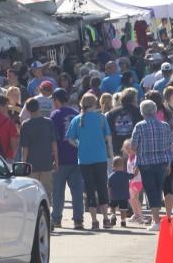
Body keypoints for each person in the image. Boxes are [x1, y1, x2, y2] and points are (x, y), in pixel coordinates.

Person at [67, 93, 114, 230]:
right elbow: (108, 137)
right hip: (100, 157)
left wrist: (80, 145)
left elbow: (70, 139)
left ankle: (94, 221)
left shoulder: (76, 119)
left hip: (84, 159)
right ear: (95, 104)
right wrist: (109, 152)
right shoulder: (101, 118)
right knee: (102, 188)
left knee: (89, 189)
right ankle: (105, 218)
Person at [130, 99, 173, 232]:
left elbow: (133, 146)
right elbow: (170, 145)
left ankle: (156, 221)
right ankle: (158, 219)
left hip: (146, 163)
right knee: (158, 189)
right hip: (162, 162)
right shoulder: (165, 126)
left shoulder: (139, 126)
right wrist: (169, 163)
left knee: (151, 191)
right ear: (155, 111)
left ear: (142, 112)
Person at [50, 88, 85, 230]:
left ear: (56, 100)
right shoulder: (77, 114)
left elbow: (52, 139)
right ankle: (78, 220)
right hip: (76, 158)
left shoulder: (55, 115)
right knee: (77, 191)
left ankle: (57, 219)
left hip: (60, 158)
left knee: (58, 191)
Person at [20, 97, 59, 197]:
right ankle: (46, 211)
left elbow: (25, 148)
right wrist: (57, 162)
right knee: (47, 192)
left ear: (28, 110)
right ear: (39, 108)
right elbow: (54, 144)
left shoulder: (25, 125)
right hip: (46, 163)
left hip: (32, 164)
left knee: (33, 193)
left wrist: (24, 165)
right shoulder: (48, 122)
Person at [106, 87, 142, 153]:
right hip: (133, 147)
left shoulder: (112, 113)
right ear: (134, 98)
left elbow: (109, 131)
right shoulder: (138, 111)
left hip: (117, 146)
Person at [107, 156, 133, 228]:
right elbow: (132, 176)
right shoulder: (125, 175)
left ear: (113, 166)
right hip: (124, 196)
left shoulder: (111, 176)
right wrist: (136, 171)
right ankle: (123, 221)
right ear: (122, 166)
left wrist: (109, 196)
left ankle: (113, 215)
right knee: (123, 210)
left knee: (112, 207)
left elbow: (109, 187)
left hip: (114, 196)